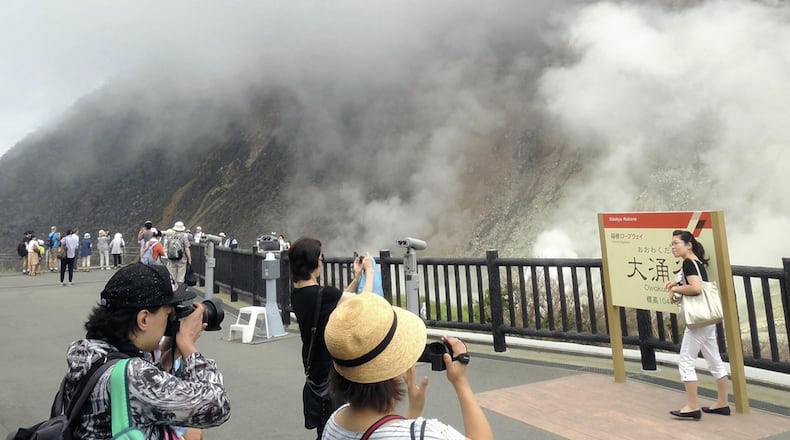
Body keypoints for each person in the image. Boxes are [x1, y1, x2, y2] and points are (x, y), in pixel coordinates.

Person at [60, 263, 231, 438]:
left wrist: (165, 362)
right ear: (143, 319)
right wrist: (188, 345)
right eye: (168, 314)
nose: (172, 321)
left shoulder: (88, 354)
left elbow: (134, 402)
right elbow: (217, 406)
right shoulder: (133, 375)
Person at [322, 293, 494, 440]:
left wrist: (413, 411)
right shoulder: (424, 434)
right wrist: (460, 381)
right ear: (393, 369)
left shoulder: (334, 423)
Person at [288, 237, 373, 439]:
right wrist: (369, 272)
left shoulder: (298, 294)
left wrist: (356, 277)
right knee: (338, 427)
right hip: (331, 372)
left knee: (325, 428)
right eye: (321, 257)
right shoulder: (323, 294)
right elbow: (364, 302)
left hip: (315, 370)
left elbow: (336, 300)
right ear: (314, 261)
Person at [666, 229, 730, 420]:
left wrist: (675, 288)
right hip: (708, 320)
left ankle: (692, 406)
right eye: (672, 244)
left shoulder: (688, 263)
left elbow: (695, 288)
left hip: (698, 321)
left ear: (689, 244)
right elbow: (696, 284)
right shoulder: (697, 262)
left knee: (685, 361)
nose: (673, 247)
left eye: (676, 243)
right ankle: (723, 403)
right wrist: (676, 284)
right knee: (714, 359)